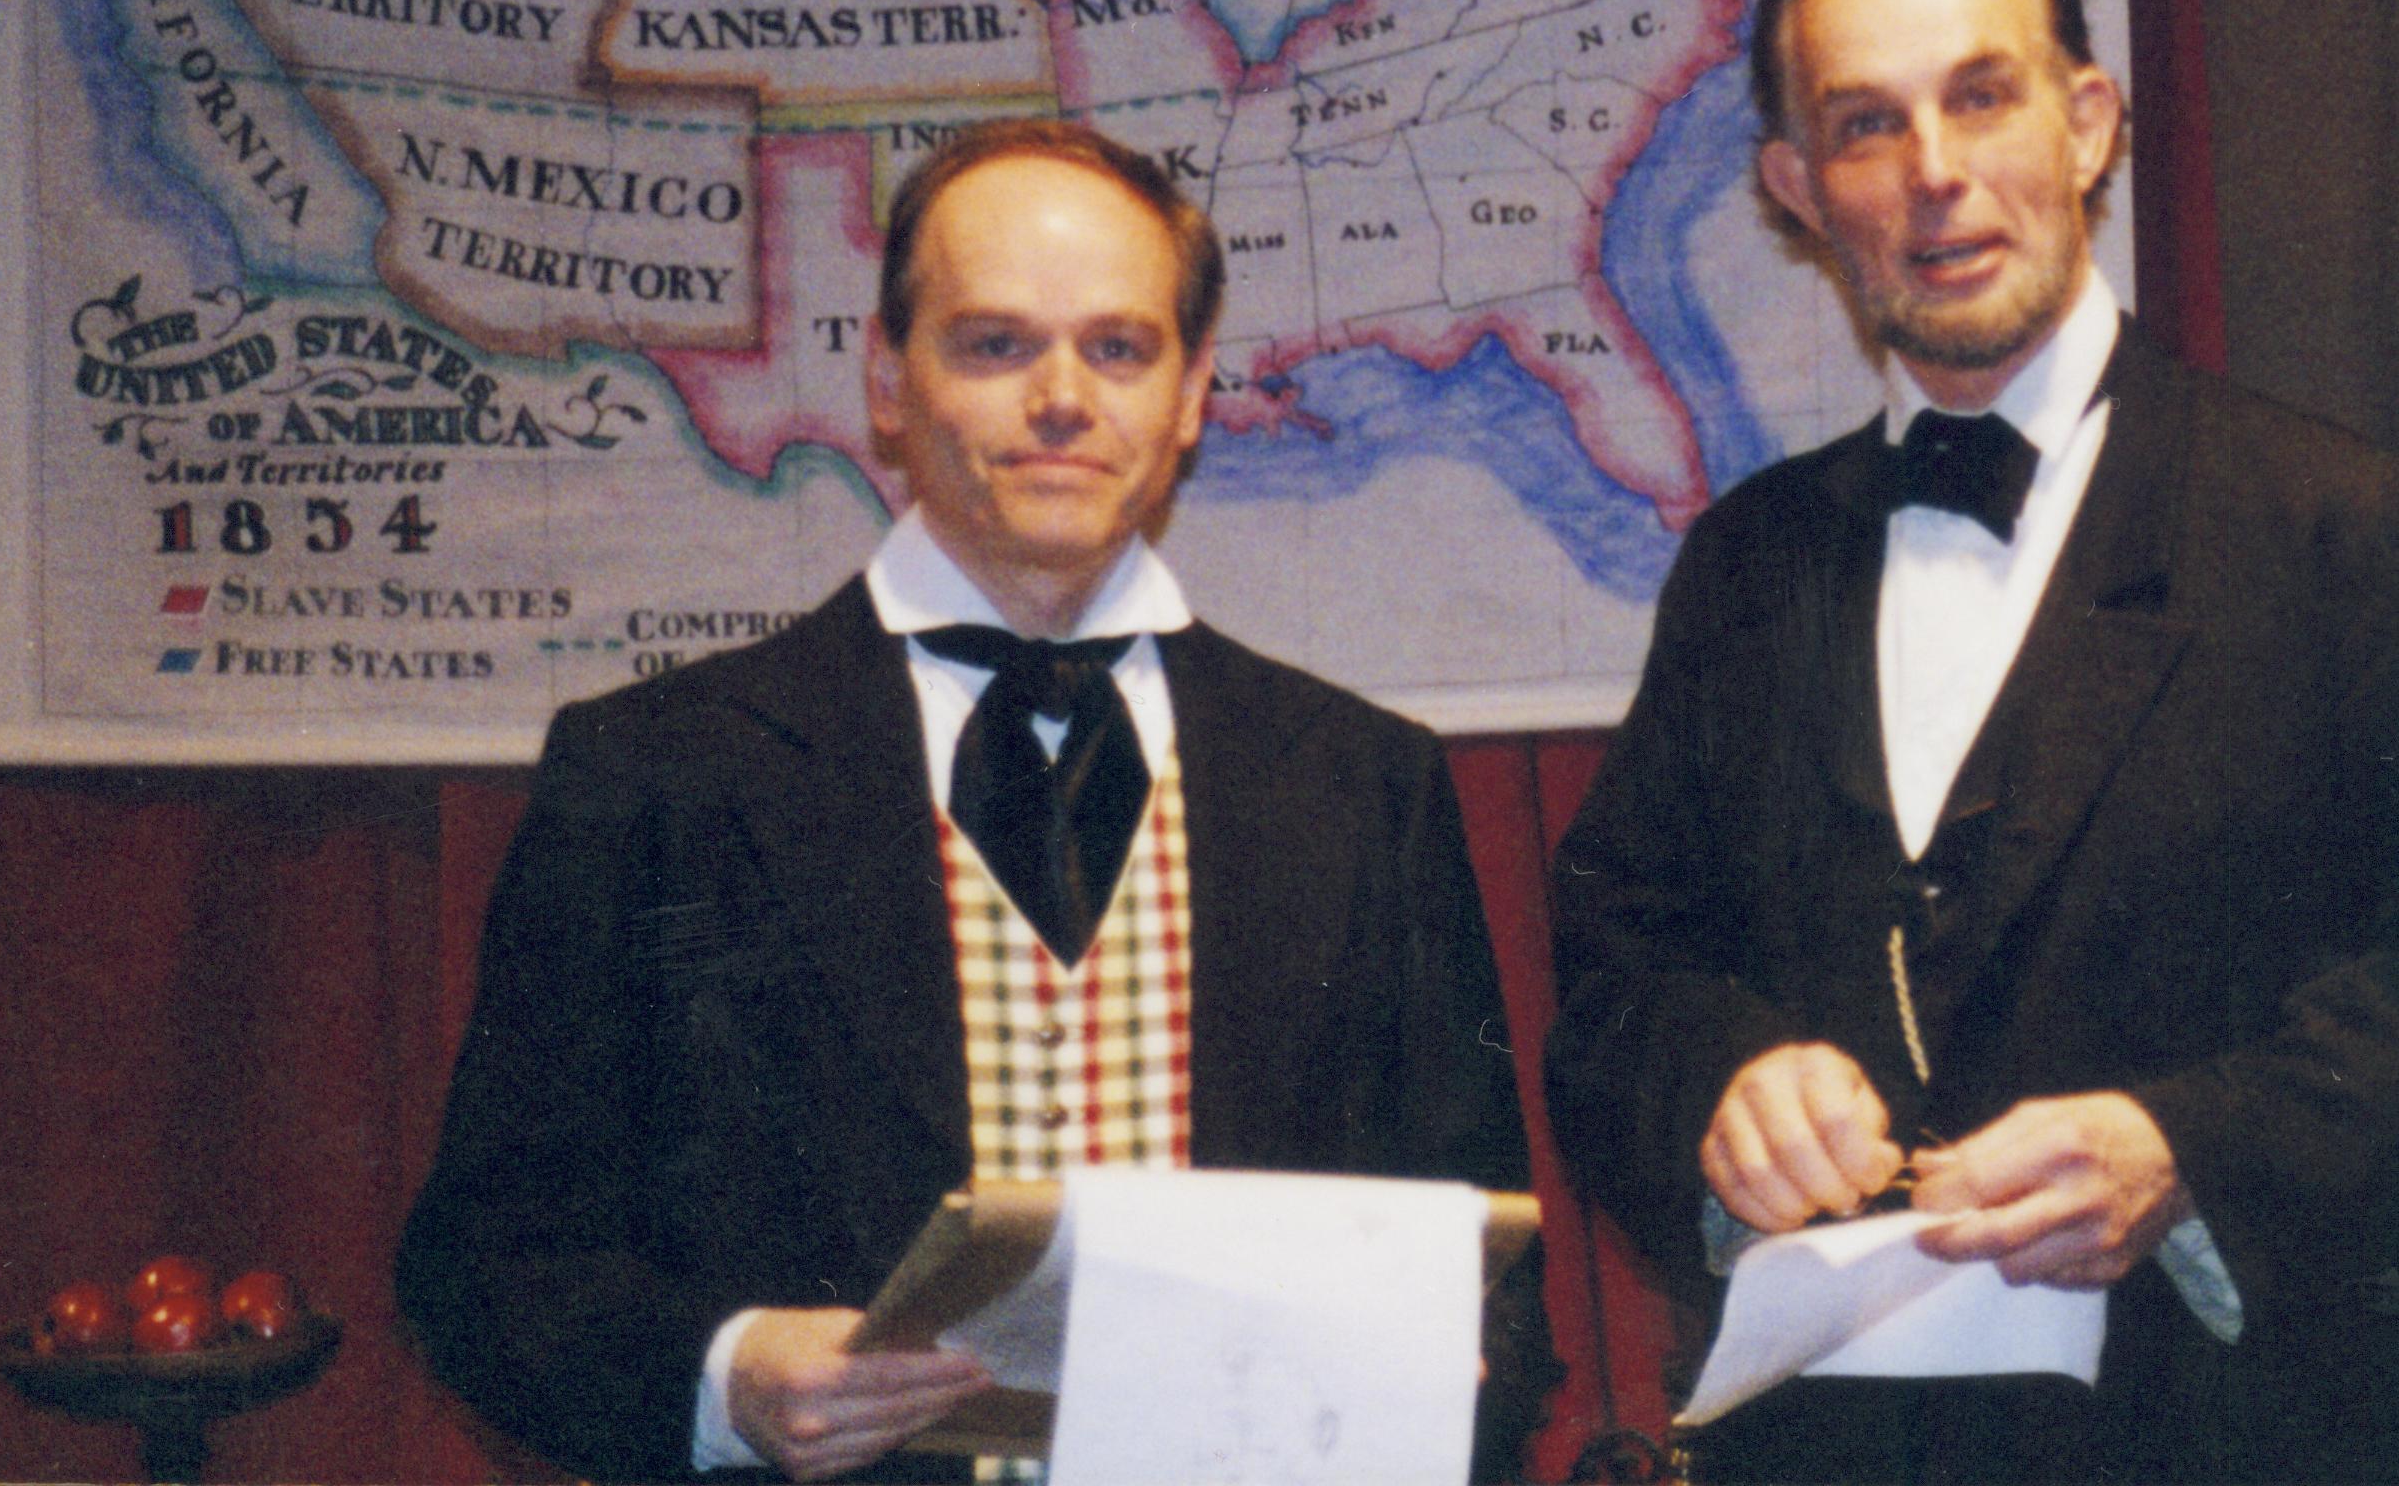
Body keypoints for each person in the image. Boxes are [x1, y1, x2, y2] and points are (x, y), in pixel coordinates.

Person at [1544, 0, 2399, 1484]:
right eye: (1867, 125)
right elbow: (1619, 981)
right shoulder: (1744, 570)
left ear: (2091, 122)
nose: (1939, 175)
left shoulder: (2342, 530)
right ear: (1798, 189)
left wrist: (2184, 1153)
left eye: (1984, 96)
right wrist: (1721, 1088)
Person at [401, 119, 1545, 1483]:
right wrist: (730, 1374)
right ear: (889, 382)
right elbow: (489, 1265)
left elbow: (1486, 1267)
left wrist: (1435, 1382)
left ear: (1189, 399)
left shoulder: (1368, 784)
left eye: (1119, 348)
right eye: (996, 343)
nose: (1061, 397)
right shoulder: (659, 773)